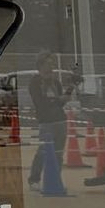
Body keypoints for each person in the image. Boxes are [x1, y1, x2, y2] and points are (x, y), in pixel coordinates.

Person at [26, 51, 72, 190]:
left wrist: (69, 91)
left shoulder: (56, 82)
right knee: (43, 151)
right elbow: (40, 103)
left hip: (60, 120)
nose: (51, 66)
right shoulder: (35, 82)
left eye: (53, 63)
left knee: (58, 153)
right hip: (46, 122)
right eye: (48, 63)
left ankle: (54, 180)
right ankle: (34, 179)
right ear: (40, 65)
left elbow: (60, 103)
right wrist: (58, 100)